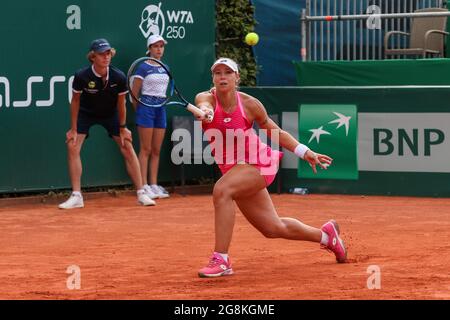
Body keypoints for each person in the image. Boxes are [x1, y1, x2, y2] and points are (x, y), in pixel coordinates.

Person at [194, 57, 347, 278]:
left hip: (258, 163)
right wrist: (206, 111)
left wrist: (305, 152)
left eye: (228, 72)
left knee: (222, 191)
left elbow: (275, 131)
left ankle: (222, 259)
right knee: (273, 228)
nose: (222, 76)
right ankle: (326, 237)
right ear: (213, 78)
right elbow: (204, 104)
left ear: (237, 78)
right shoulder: (205, 98)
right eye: (218, 73)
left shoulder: (250, 104)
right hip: (235, 171)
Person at [59, 38, 155, 209]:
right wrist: (73, 129)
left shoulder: (118, 76)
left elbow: (121, 103)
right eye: (102, 54)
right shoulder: (82, 76)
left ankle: (141, 193)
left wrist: (123, 127)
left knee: (127, 146)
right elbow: (75, 101)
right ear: (93, 57)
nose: (106, 57)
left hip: (111, 114)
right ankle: (76, 196)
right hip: (86, 113)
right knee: (72, 145)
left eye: (108, 53)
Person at [130, 34, 170, 199]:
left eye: (161, 46)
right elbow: (134, 92)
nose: (159, 49)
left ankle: (153, 185)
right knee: (145, 149)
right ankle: (144, 185)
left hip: (160, 108)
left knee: (156, 150)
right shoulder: (143, 68)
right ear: (149, 49)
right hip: (146, 108)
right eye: (155, 46)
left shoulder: (166, 67)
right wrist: (140, 109)